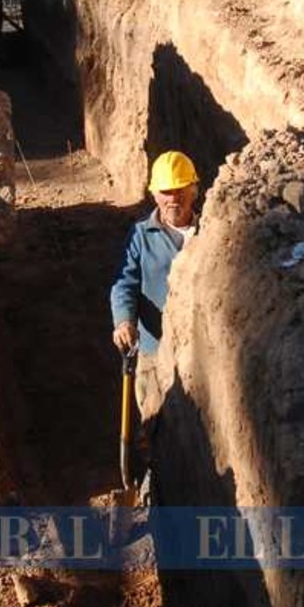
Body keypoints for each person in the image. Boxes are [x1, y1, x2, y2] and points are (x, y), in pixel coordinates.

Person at [110, 150, 200, 412]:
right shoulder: (141, 234)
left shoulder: (209, 231)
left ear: (194, 190)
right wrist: (124, 320)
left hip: (197, 353)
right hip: (153, 347)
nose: (173, 199)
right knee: (154, 421)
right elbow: (123, 283)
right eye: (166, 192)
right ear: (154, 194)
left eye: (180, 190)